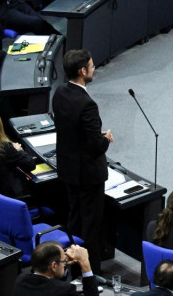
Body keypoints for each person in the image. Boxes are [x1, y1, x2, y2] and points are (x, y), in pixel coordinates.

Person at [52, 49, 113, 275]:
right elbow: (95, 146)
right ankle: (90, 275)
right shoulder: (88, 104)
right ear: (82, 71)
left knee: (75, 221)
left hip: (68, 170)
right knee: (91, 229)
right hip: (88, 176)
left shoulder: (59, 93)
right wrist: (105, 139)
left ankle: (72, 267)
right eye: (91, 65)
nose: (94, 68)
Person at [12, 242, 98, 296]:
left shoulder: (20, 280)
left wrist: (61, 264)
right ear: (54, 266)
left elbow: (53, 283)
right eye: (64, 261)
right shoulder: (65, 290)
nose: (65, 263)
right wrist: (84, 262)